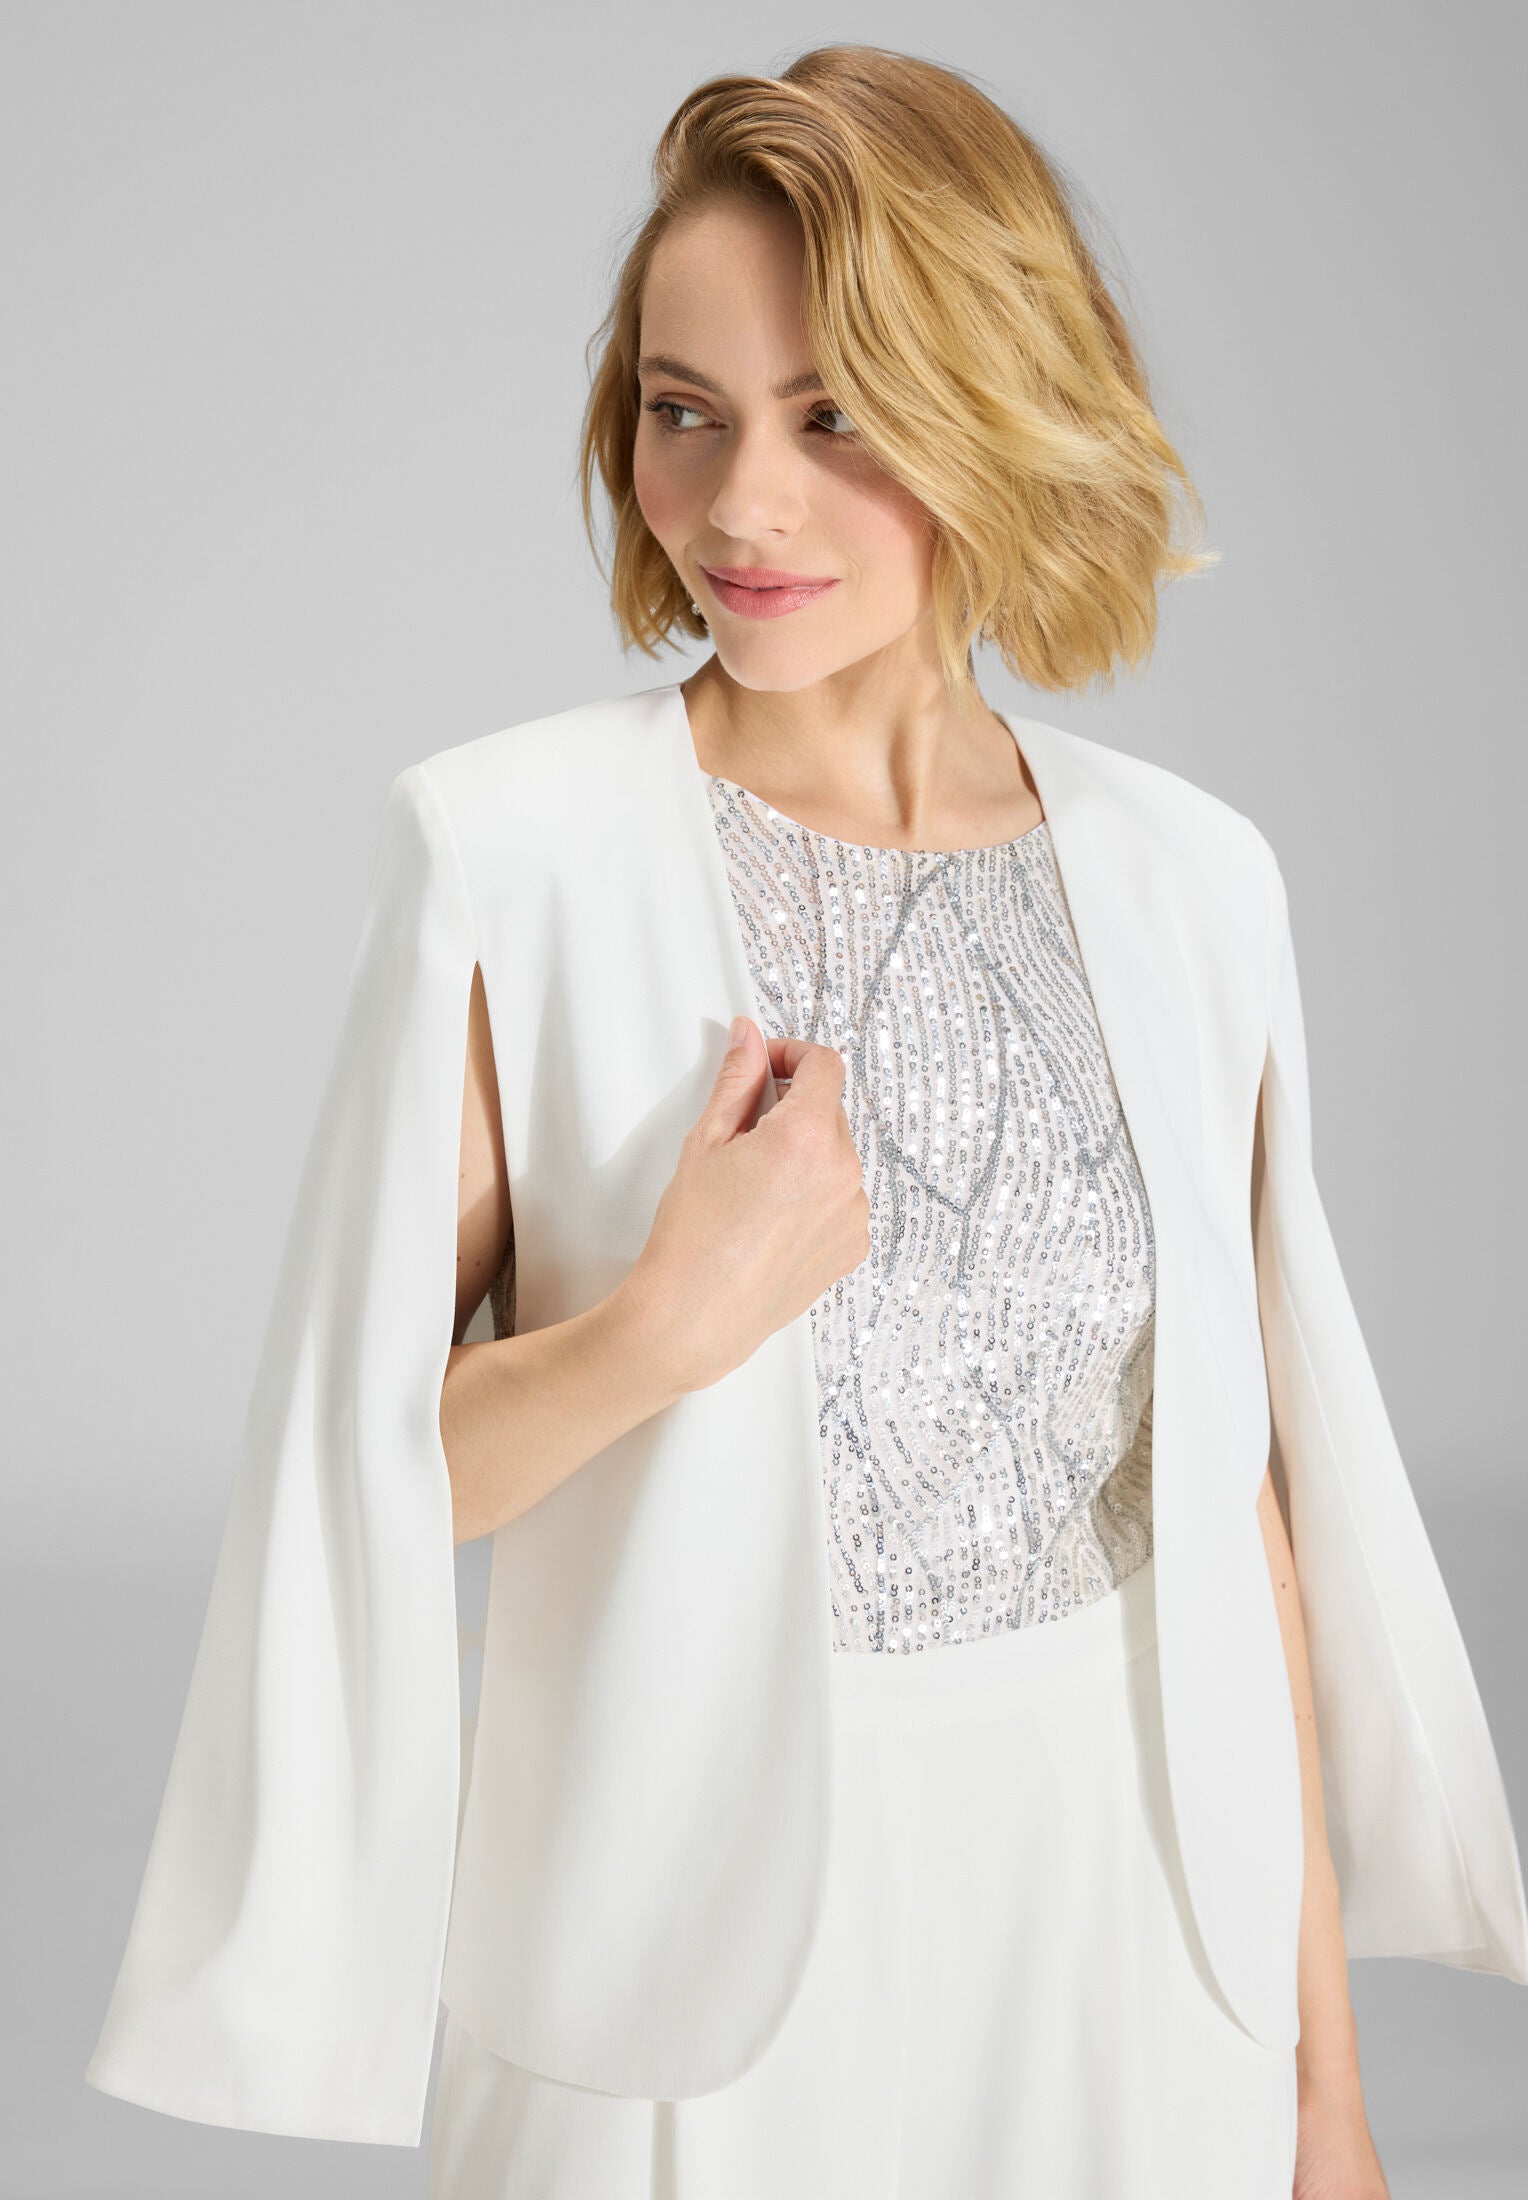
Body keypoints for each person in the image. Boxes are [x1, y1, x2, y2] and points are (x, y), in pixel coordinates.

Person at [85, 44, 1526, 2200]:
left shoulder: (1187, 878)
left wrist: (1323, 2094)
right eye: (687, 412)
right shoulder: (513, 852)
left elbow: (1232, 1505)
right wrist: (667, 1324)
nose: (741, 503)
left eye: (836, 415)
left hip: (1132, 1936)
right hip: (686, 1953)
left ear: (998, 405)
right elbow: (360, 1480)